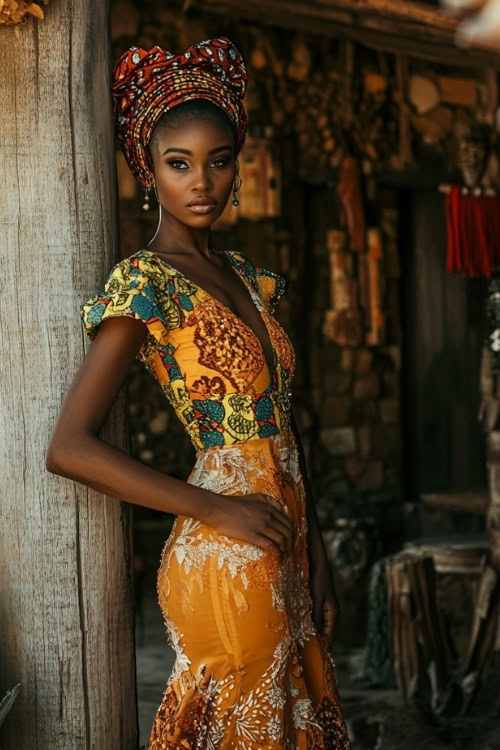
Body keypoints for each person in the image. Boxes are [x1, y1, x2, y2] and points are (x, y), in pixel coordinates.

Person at [46, 36, 352, 749]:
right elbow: (69, 448)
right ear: (147, 173)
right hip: (224, 547)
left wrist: (321, 558)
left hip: (288, 538)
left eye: (217, 161)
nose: (201, 182)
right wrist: (218, 507)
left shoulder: (248, 277)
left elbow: (290, 431)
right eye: (178, 164)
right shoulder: (145, 283)